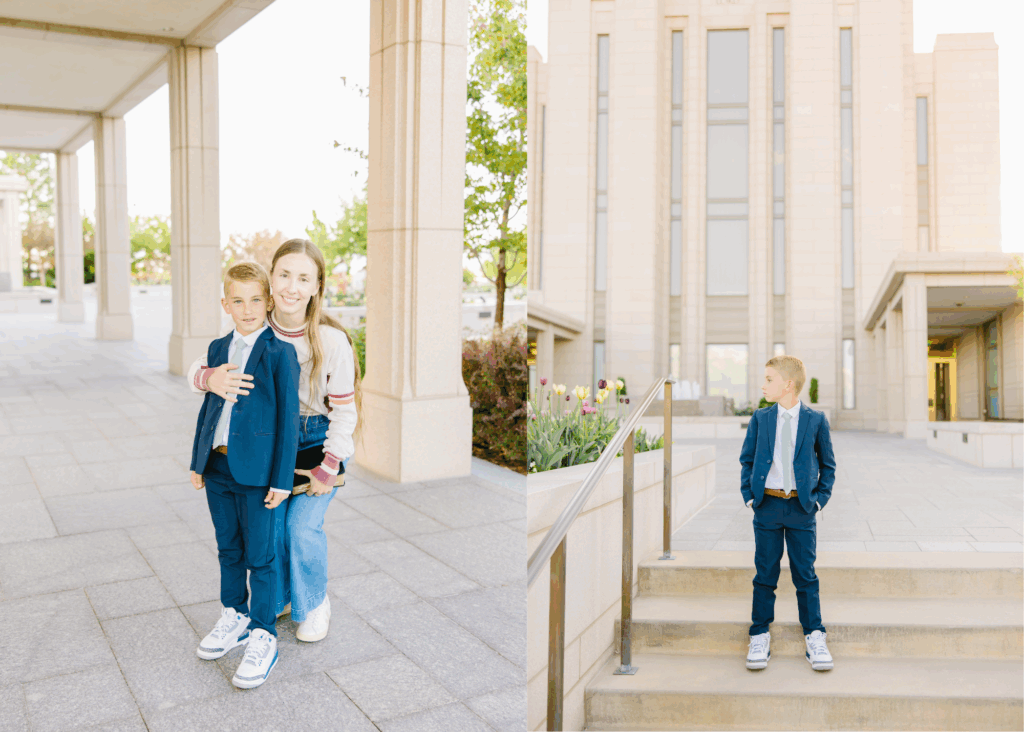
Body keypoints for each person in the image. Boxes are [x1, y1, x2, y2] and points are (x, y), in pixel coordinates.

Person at [188, 239, 361, 643]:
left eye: (304, 278)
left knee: (301, 527)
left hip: (316, 439)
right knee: (268, 528)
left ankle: (314, 602)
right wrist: (209, 378)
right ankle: (280, 597)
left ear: (317, 286)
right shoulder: (254, 326)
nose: (292, 287)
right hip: (268, 444)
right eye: (284, 275)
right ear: (270, 283)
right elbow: (203, 364)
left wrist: (329, 464)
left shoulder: (330, 341)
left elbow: (345, 412)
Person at [189, 261, 300, 689]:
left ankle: (263, 634)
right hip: (218, 467)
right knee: (228, 548)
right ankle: (233, 615)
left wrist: (281, 479)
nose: (248, 308)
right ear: (226, 304)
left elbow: (288, 420)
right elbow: (209, 409)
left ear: (268, 302)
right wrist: (198, 462)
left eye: (256, 299)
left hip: (258, 475)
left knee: (262, 555)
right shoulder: (217, 350)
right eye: (238, 300)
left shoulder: (279, 352)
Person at [739, 355, 837, 672]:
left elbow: (828, 466)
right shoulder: (760, 418)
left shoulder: (816, 420)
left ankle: (815, 636)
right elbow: (748, 459)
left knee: (805, 576)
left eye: (769, 379)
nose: (764, 384)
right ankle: (758, 634)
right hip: (767, 506)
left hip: (801, 508)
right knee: (765, 574)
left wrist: (819, 500)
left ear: (788, 384)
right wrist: (749, 497)